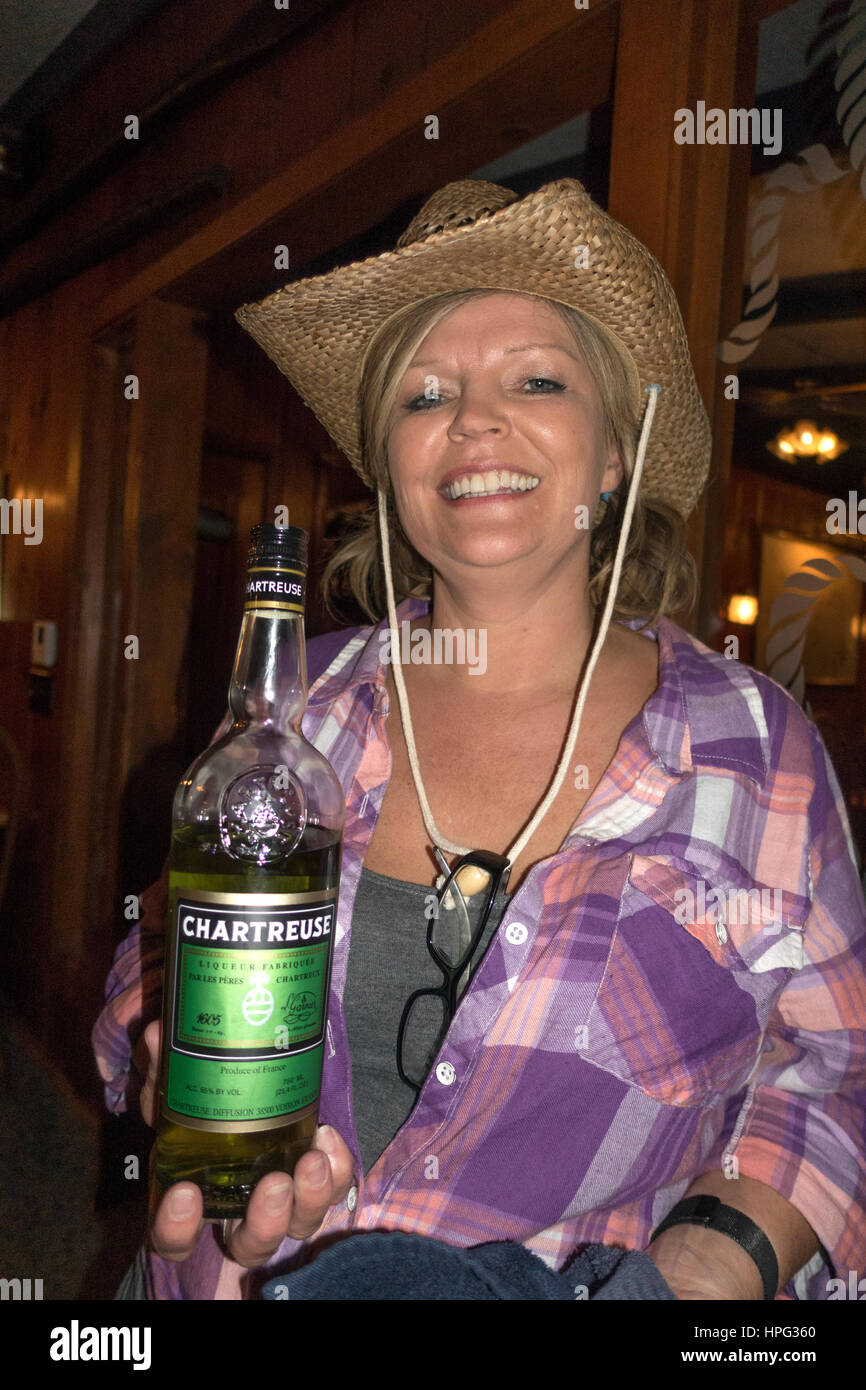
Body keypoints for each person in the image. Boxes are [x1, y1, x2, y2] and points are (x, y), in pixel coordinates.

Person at [94, 177, 866, 1301]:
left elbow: (836, 1068)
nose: (470, 421)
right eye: (423, 396)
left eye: (538, 380)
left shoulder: (754, 751)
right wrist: (167, 1036)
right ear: (390, 463)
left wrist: (703, 1266)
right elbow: (160, 941)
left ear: (611, 457)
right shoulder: (288, 712)